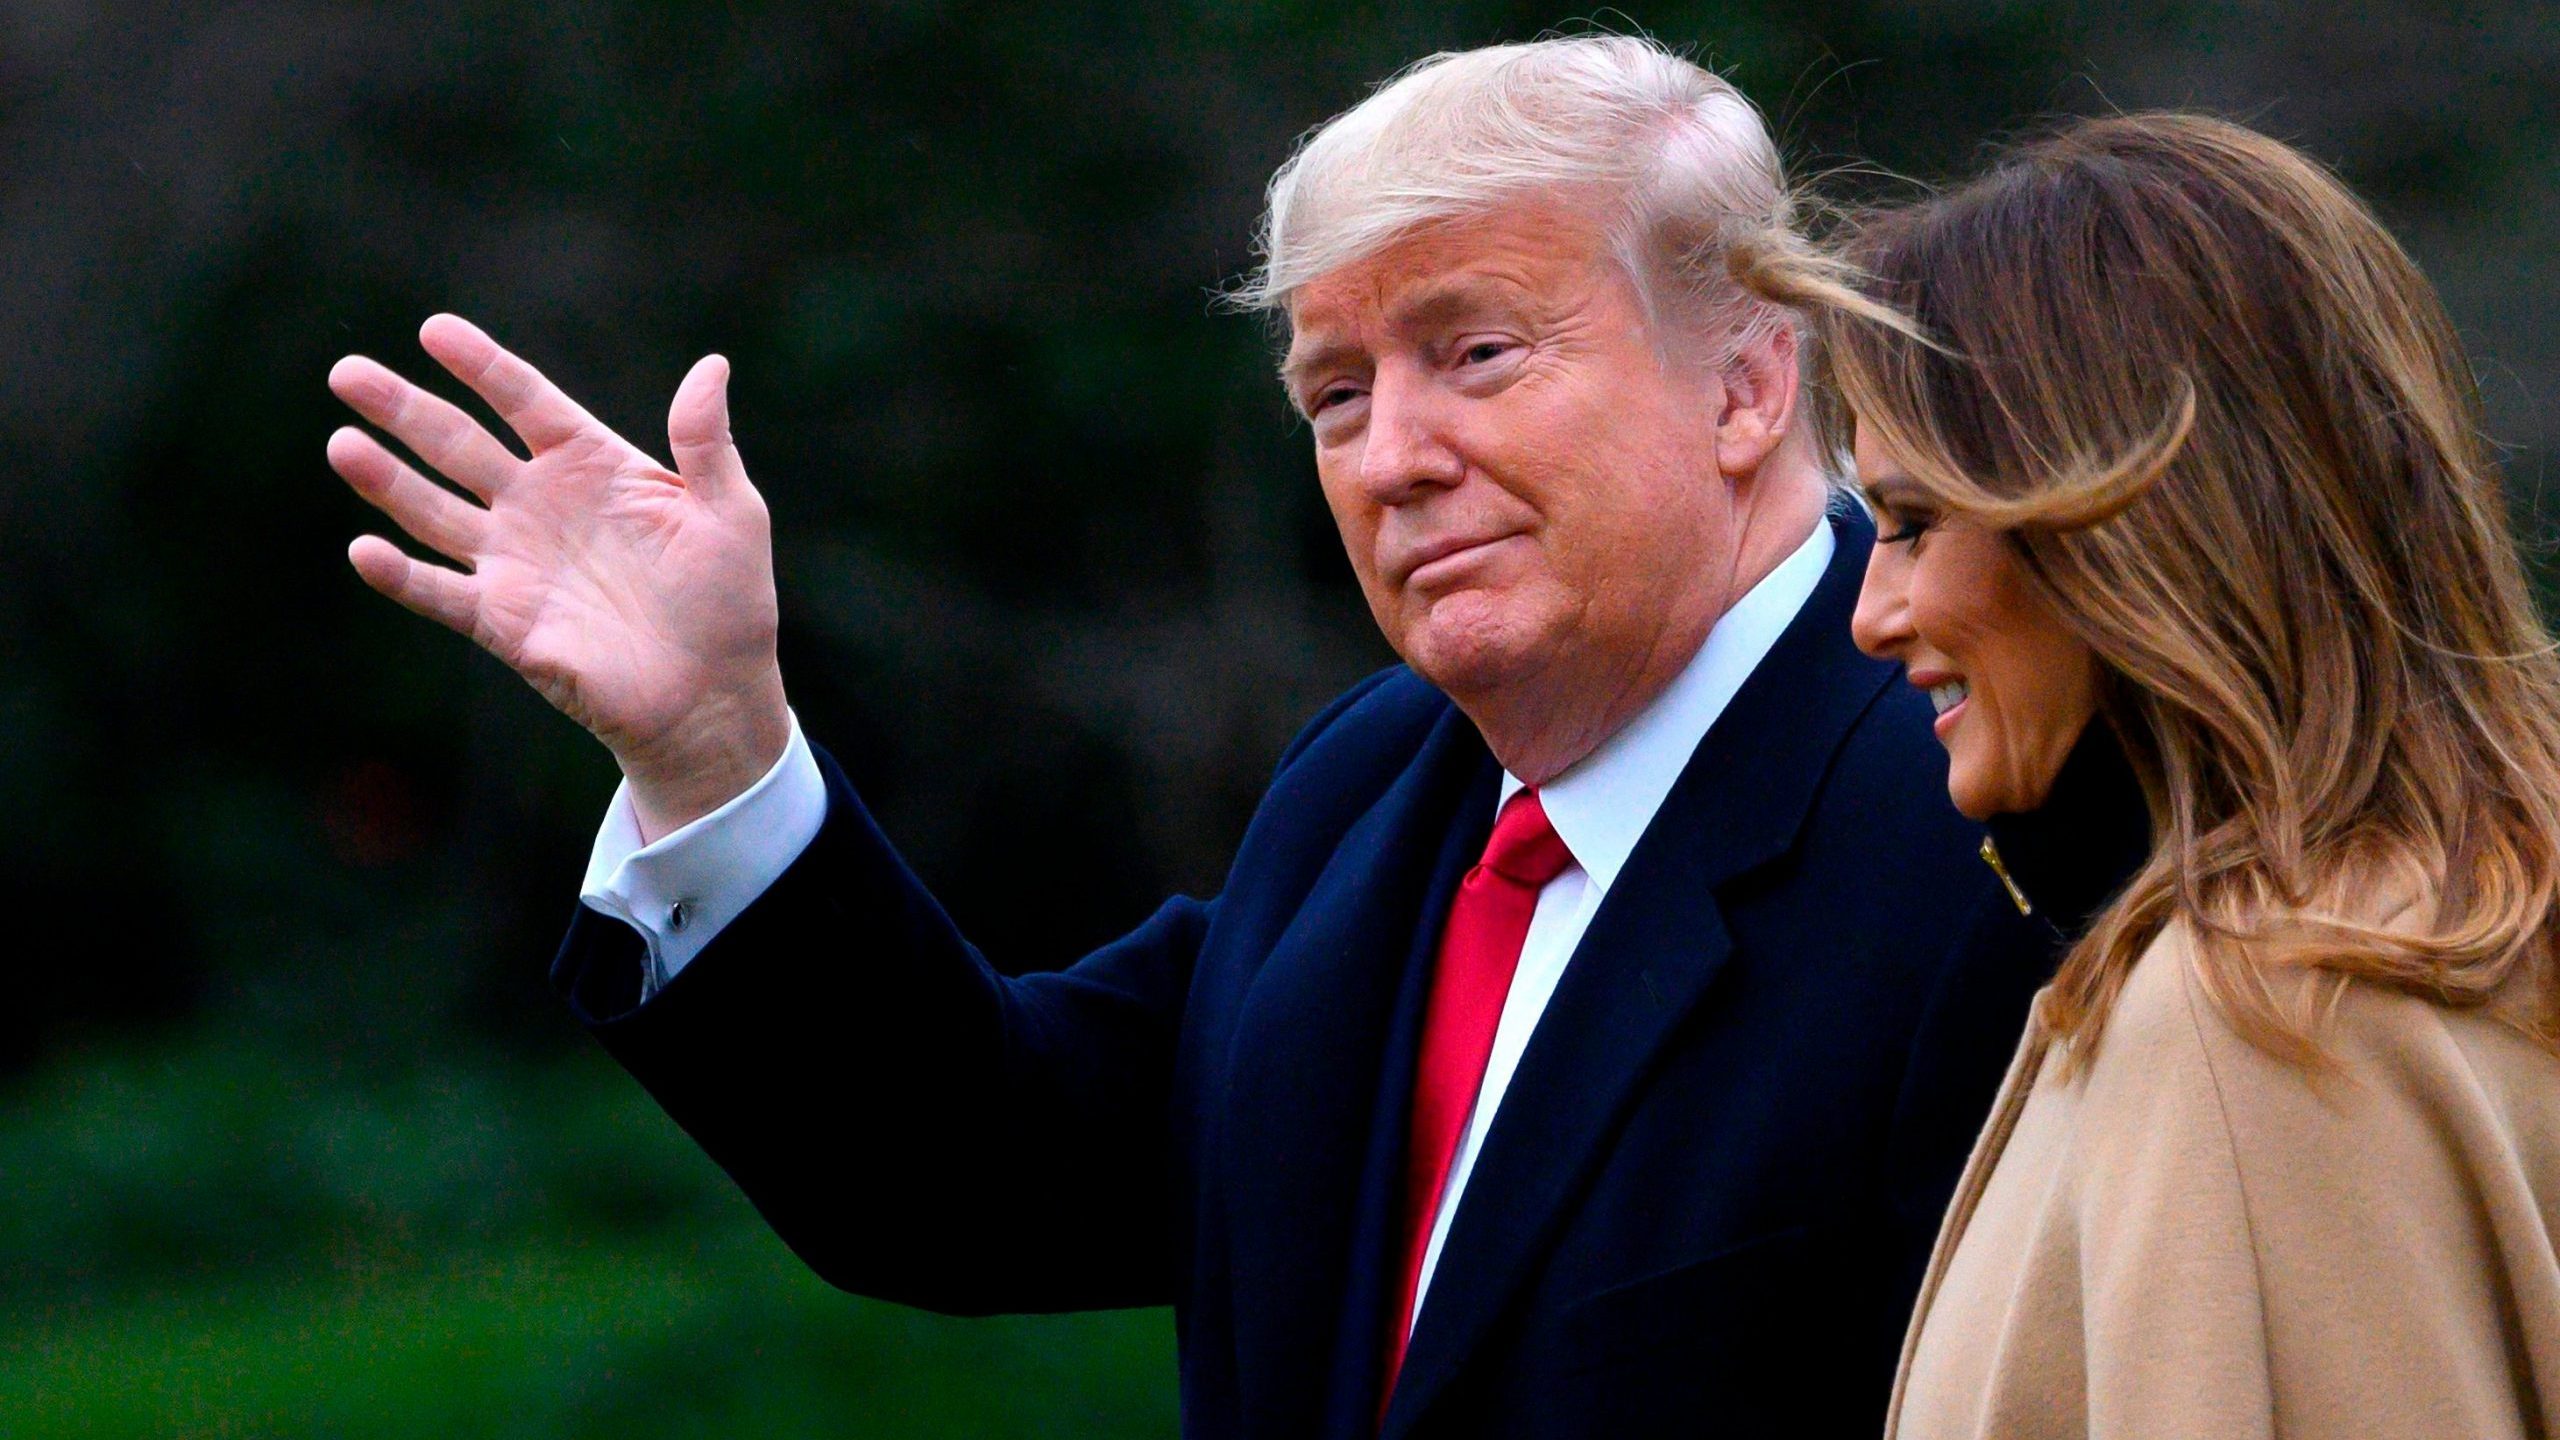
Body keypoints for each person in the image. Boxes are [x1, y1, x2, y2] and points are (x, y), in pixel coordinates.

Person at [325, 38, 2047, 1439]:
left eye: (1477, 353)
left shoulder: (1995, 811)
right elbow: (971, 1170)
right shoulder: (1370, 787)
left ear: (1749, 384)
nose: (1393, 457)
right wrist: (713, 748)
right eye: (1338, 394)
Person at [1738, 111, 2560, 1438]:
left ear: (2136, 527)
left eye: (1916, 522)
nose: (1873, 615)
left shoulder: (2259, 1016)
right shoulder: (2451, 917)